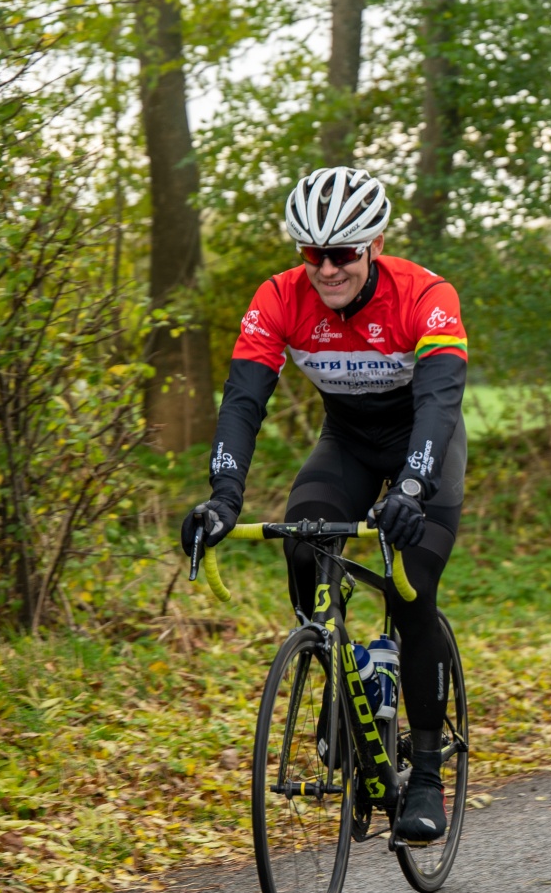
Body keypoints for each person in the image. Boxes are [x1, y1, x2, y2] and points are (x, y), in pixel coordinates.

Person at [181, 167, 468, 844]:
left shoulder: (425, 295)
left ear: (373, 244)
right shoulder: (279, 298)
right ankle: (342, 672)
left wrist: (410, 488)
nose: (328, 269)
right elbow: (243, 402)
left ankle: (426, 777)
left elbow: (439, 403)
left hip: (425, 449)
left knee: (411, 593)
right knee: (302, 542)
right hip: (346, 443)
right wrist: (224, 497)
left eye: (343, 253)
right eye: (314, 254)